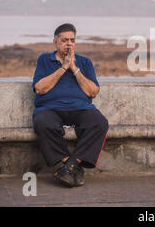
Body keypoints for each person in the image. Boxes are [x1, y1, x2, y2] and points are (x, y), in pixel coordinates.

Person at [32, 23, 109, 188]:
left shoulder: (85, 63)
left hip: (81, 108)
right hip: (50, 108)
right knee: (42, 123)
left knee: (99, 123)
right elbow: (40, 88)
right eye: (65, 40)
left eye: (72, 40)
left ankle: (69, 167)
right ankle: (73, 166)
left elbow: (92, 92)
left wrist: (74, 68)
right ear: (56, 42)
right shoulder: (44, 60)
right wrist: (63, 67)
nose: (69, 44)